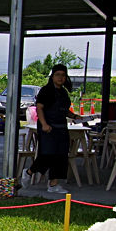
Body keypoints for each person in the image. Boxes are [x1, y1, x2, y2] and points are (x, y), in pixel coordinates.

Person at [28, 64, 78, 193]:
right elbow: (39, 108)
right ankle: (29, 171)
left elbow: (64, 109)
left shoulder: (63, 92)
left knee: (61, 155)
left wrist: (73, 116)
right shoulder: (46, 90)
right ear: (52, 76)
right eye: (58, 75)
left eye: (63, 75)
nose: (60, 78)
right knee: (48, 154)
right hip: (48, 127)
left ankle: (54, 183)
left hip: (61, 126)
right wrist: (44, 124)